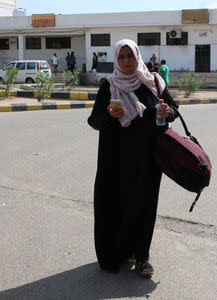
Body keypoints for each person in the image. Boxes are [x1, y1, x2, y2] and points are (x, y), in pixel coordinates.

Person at [87, 39, 178, 278]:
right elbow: (94, 121)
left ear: (138, 56)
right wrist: (109, 114)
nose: (127, 60)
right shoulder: (109, 86)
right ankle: (121, 251)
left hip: (148, 160)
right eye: (122, 57)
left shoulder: (153, 82)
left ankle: (143, 256)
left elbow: (174, 108)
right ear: (116, 60)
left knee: (145, 206)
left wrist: (168, 112)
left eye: (130, 55)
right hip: (116, 161)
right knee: (117, 206)